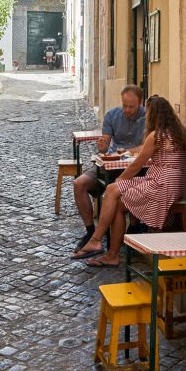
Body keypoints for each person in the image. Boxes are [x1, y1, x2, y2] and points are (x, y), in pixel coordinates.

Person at [73, 96, 186, 268]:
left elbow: (137, 164)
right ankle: (104, 246)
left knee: (114, 193)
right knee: (115, 196)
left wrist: (120, 179)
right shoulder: (178, 134)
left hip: (160, 185)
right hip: (173, 185)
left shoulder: (156, 135)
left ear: (153, 115)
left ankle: (100, 243)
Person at [71, 85, 146, 253]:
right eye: (124, 105)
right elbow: (104, 146)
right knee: (79, 184)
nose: (127, 109)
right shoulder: (112, 115)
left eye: (131, 106)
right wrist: (103, 145)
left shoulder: (148, 117)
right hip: (110, 166)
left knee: (123, 191)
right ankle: (91, 232)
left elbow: (147, 146)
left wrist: (127, 152)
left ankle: (133, 230)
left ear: (140, 103)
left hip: (135, 169)